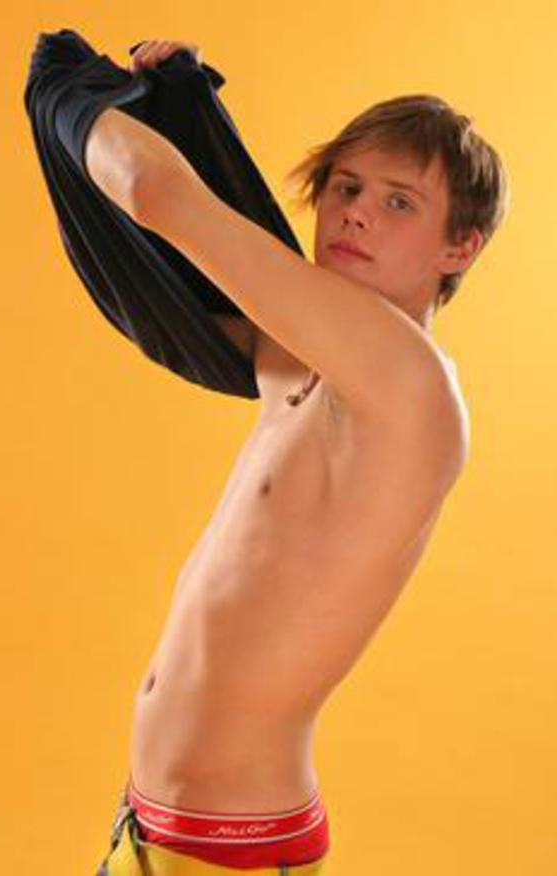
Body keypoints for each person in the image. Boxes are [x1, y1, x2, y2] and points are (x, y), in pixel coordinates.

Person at [88, 39, 509, 876]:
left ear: (459, 248)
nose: (355, 213)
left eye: (398, 202)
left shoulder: (407, 380)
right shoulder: (294, 351)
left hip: (233, 851)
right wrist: (175, 102)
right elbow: (172, 293)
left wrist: (63, 87)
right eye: (345, 187)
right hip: (149, 829)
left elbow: (154, 195)